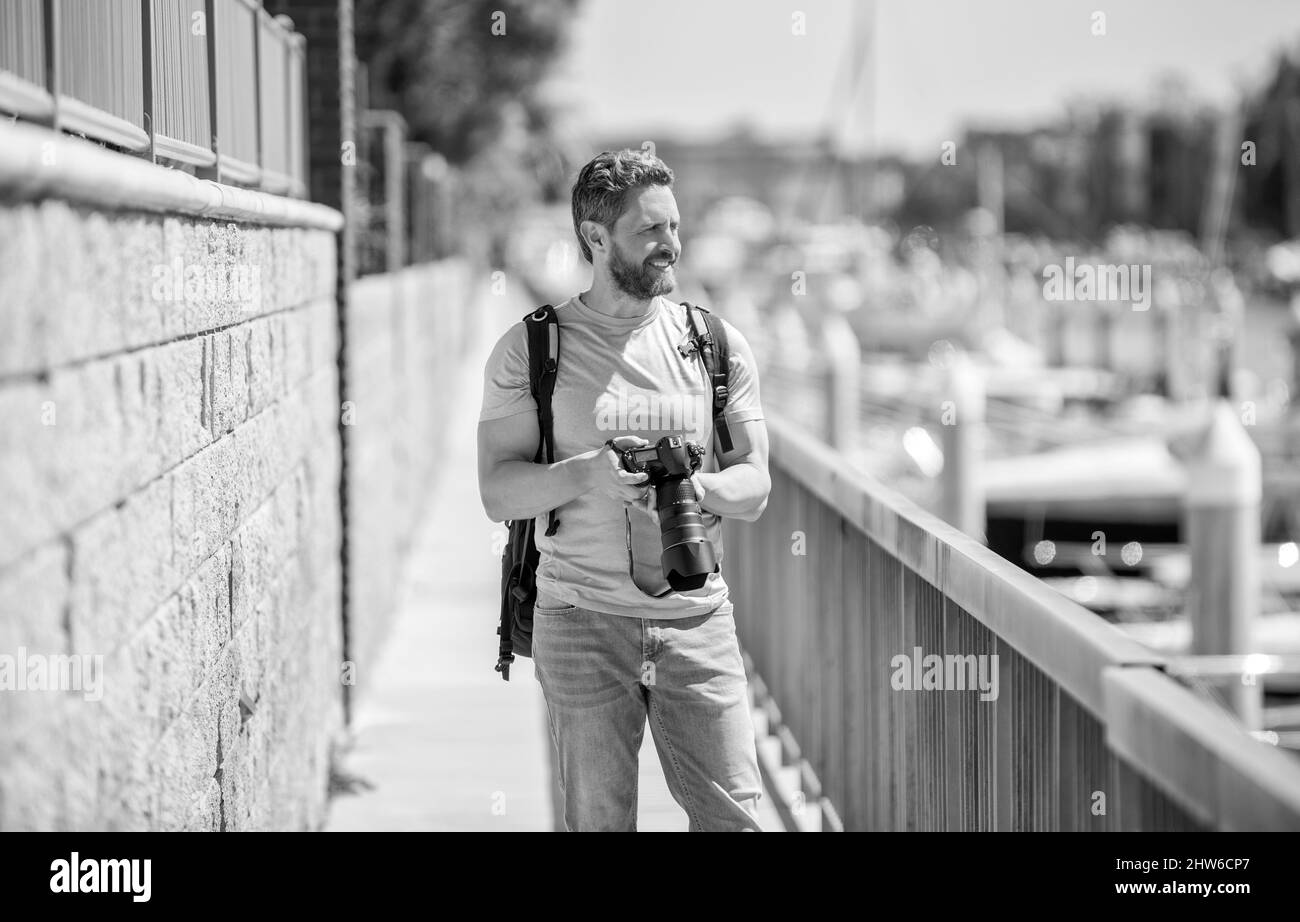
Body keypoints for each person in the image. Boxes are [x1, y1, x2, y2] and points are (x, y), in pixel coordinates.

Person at [476, 149, 771, 831]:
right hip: (580, 622)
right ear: (595, 238)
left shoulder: (713, 344)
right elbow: (497, 491)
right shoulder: (532, 350)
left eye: (674, 226)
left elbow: (755, 485)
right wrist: (588, 473)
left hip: (697, 621)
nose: (670, 245)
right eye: (650, 231)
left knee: (738, 821)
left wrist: (699, 489)